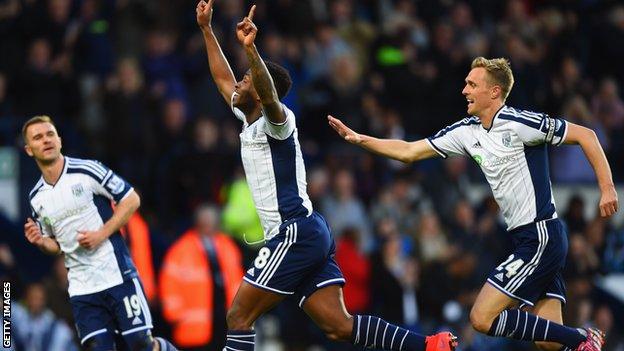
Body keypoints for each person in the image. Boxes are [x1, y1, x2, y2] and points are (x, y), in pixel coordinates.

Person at [196, 1, 457, 351]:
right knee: (338, 326)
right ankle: (429, 345)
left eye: (246, 79)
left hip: (293, 232)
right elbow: (222, 77)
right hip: (309, 232)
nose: (238, 84)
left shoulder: (280, 121)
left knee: (238, 318)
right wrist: (206, 29)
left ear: (259, 90)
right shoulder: (249, 118)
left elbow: (270, 94)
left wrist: (251, 50)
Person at [329, 57, 619, 351]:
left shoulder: (520, 123)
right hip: (526, 239)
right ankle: (578, 340)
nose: (464, 90)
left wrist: (607, 188)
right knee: (548, 343)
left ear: (494, 92)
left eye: (472, 84)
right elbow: (409, 151)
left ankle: (583, 337)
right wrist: (361, 139)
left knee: (481, 317)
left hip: (542, 236)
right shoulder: (467, 131)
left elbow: (587, 135)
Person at [22, 115, 178, 351]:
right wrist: (41, 242)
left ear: (60, 140)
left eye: (50, 134)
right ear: (29, 149)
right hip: (82, 287)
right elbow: (57, 246)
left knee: (140, 344)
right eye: (38, 137)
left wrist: (101, 233)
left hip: (116, 274)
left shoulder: (86, 170)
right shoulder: (36, 197)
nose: (46, 140)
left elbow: (131, 199)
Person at [159, 204, 244, 350]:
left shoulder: (227, 246)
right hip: (193, 327)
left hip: (224, 323)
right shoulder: (181, 250)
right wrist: (175, 315)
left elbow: (238, 280)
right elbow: (169, 284)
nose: (209, 227)